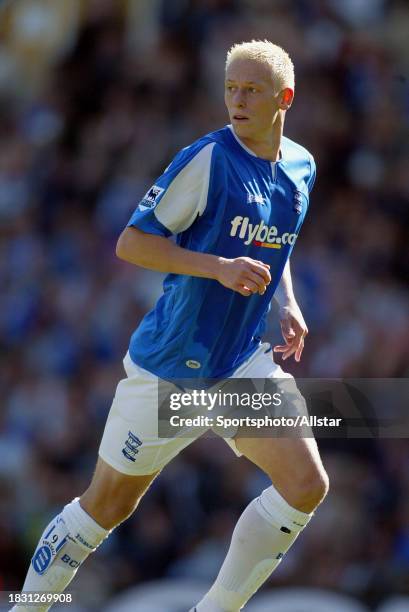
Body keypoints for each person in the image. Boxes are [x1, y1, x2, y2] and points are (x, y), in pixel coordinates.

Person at [12, 40, 329, 612]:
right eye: (231, 87)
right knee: (105, 506)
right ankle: (28, 605)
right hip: (170, 370)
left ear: (285, 98)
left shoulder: (300, 166)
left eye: (251, 90)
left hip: (237, 365)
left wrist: (287, 302)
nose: (236, 99)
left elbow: (274, 245)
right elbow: (132, 242)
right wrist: (218, 268)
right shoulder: (207, 159)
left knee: (307, 485)